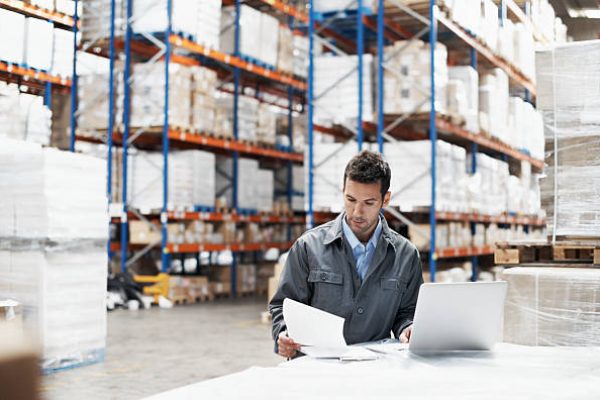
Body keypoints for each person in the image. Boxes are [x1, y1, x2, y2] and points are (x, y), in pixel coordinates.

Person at [269, 150, 424, 358]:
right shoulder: (308, 247)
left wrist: (408, 329)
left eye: (368, 203)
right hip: (315, 369)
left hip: (375, 369)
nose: (357, 212)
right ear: (343, 191)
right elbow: (283, 304)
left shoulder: (406, 256)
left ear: (385, 199)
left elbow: (407, 313)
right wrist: (283, 333)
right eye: (350, 199)